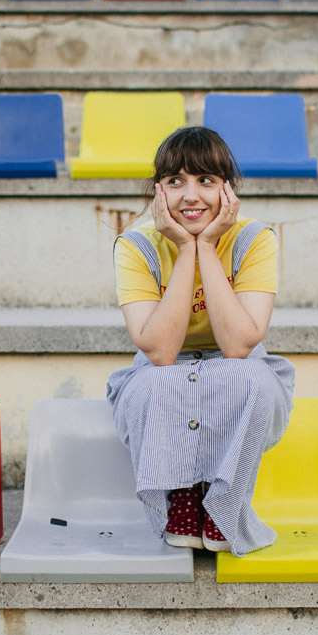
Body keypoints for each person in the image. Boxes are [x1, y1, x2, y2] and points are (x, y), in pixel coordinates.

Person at [106, 126, 295, 556]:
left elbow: (238, 346)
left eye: (206, 180)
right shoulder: (136, 245)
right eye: (176, 181)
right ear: (158, 192)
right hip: (162, 369)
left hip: (234, 364)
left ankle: (222, 500)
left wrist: (206, 247)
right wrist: (182, 248)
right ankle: (183, 494)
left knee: (251, 380)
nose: (191, 195)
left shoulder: (253, 239)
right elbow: (159, 351)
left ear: (227, 190)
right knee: (159, 380)